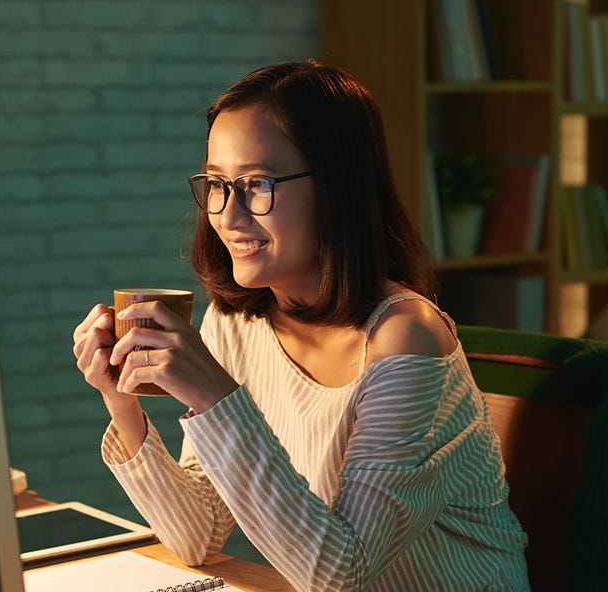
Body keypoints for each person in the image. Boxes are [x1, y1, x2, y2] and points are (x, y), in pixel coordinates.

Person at [72, 60, 530, 591]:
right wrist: (122, 402)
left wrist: (216, 396)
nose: (229, 214)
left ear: (336, 187)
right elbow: (197, 536)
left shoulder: (406, 340)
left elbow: (341, 570)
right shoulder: (237, 318)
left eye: (257, 184)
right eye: (217, 184)